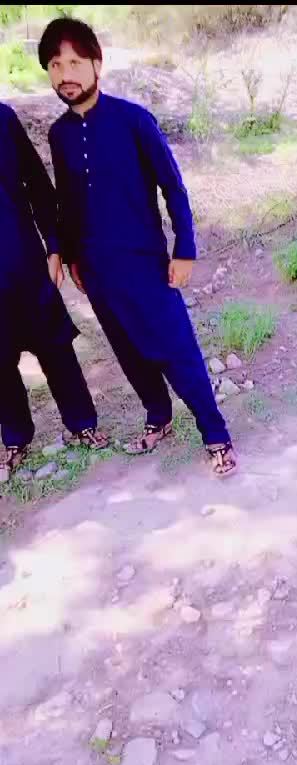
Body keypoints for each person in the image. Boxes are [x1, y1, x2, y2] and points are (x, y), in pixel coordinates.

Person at [39, 18, 236, 477]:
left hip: (145, 265)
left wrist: (184, 248)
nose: (65, 74)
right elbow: (66, 200)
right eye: (55, 65)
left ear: (97, 63)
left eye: (74, 62)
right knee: (128, 351)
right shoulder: (58, 135)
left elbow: (173, 186)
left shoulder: (133, 120)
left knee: (176, 349)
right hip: (95, 271)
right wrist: (70, 255)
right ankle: (158, 417)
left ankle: (216, 435)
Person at [0, 102, 108, 481]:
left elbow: (36, 180)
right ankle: (15, 439)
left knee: (56, 347)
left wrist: (53, 245)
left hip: (25, 262)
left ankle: (82, 424)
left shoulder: (3, 119)